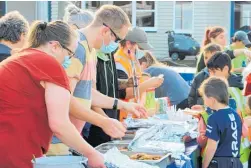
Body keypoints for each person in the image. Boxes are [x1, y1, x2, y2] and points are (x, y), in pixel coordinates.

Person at [0, 20, 106, 168]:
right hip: (16, 153)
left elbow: (68, 102)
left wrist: (103, 121)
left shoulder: (17, 59)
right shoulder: (50, 64)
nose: (69, 59)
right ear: (55, 46)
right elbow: (59, 124)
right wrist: (91, 154)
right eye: (70, 53)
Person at [63, 5, 147, 141]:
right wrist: (103, 122)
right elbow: (65, 100)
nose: (117, 44)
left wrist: (124, 105)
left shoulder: (91, 51)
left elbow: (88, 92)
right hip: (61, 139)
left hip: (74, 135)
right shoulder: (77, 49)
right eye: (118, 39)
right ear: (106, 31)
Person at [114, 27, 164, 120]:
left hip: (133, 115)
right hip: (122, 116)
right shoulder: (119, 63)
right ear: (129, 44)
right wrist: (148, 84)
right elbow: (124, 93)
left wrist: (141, 106)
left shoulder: (133, 60)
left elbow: (138, 86)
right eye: (140, 47)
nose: (142, 52)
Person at [200, 77, 242, 168]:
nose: (203, 100)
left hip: (220, 163)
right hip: (236, 163)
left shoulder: (214, 118)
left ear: (212, 99)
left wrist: (204, 166)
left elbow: (211, 147)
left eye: (204, 97)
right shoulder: (236, 115)